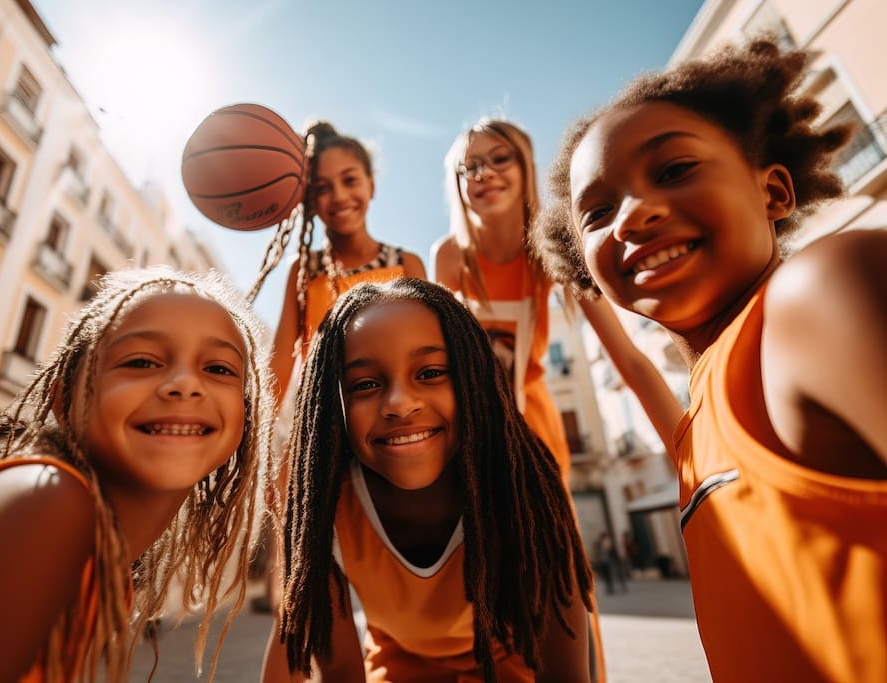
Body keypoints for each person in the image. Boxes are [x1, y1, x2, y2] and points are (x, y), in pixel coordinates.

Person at [533, 37, 887, 682]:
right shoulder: (700, 421)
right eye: (598, 212)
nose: (632, 217)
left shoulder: (821, 292)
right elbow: (640, 375)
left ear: (775, 191)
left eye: (673, 171)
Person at [0, 266, 276, 682]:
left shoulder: (98, 559)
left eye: (219, 369)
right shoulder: (43, 505)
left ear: (246, 417)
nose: (186, 384)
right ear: (63, 399)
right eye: (142, 361)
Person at [263, 278, 594, 682]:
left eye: (431, 372)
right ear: (333, 405)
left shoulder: (523, 488)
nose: (400, 404)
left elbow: (567, 675)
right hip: (396, 667)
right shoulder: (323, 508)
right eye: (365, 384)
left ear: (475, 381)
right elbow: (341, 673)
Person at [433, 118, 683, 483]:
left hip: (536, 434)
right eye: (468, 167)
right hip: (467, 438)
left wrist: (691, 461)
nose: (483, 173)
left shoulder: (554, 248)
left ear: (525, 166)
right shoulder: (450, 257)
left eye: (500, 158)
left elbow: (627, 359)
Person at [247, 121, 426, 613]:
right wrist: (257, 441)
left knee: (399, 582)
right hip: (319, 434)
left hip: (387, 430)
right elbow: (280, 362)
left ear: (371, 183)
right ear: (306, 201)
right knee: (309, 596)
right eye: (321, 187)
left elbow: (432, 352)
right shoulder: (303, 272)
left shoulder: (405, 262)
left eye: (350, 180)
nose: (338, 195)